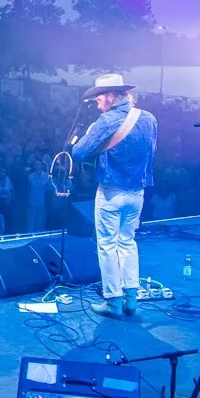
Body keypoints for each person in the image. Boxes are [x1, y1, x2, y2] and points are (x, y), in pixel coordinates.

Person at [70, 74, 157, 319]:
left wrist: (89, 133)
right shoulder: (149, 119)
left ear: (110, 96)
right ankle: (131, 299)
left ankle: (113, 302)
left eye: (99, 98)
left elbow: (78, 152)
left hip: (111, 193)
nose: (97, 104)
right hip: (137, 193)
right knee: (128, 242)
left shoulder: (107, 120)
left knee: (107, 246)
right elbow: (152, 153)